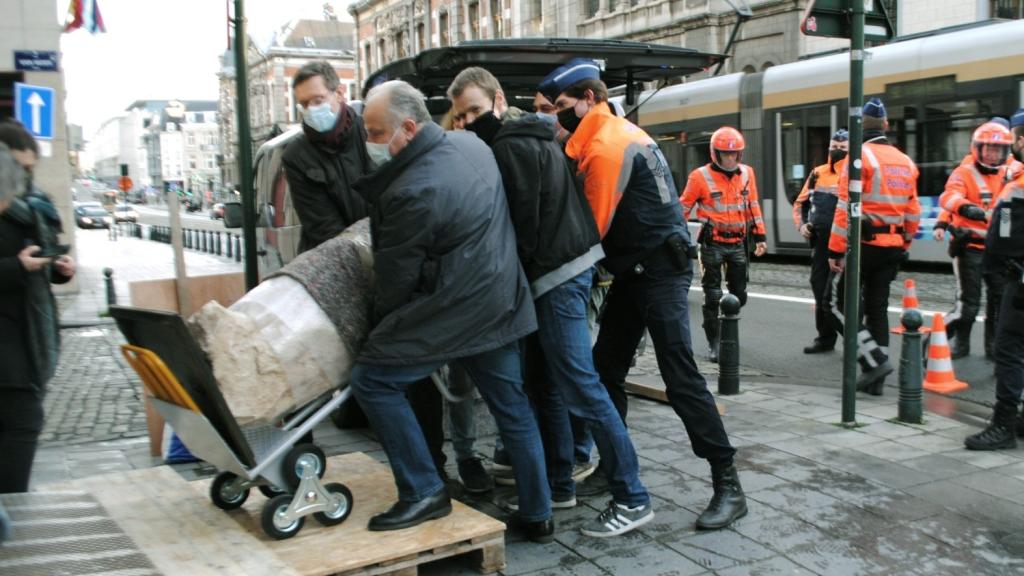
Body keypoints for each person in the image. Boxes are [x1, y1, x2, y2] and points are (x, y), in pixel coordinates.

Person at [541, 59, 747, 530]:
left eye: (561, 106)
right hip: (636, 269)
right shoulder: (611, 132)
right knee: (604, 368)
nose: (557, 116)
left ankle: (728, 484)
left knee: (680, 375)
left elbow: (590, 229)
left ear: (588, 98)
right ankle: (615, 467)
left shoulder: (607, 145)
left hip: (658, 270)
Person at [449, 67, 653, 537]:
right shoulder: (526, 137)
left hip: (558, 277)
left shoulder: (510, 146)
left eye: (475, 110)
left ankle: (632, 495)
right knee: (547, 386)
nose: (467, 122)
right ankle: (560, 484)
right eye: (460, 117)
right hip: (557, 274)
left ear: (499, 100)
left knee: (582, 387)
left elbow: (520, 229)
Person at [349, 80, 553, 541]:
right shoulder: (471, 144)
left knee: (373, 379)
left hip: (457, 307)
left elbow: (396, 280)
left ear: (407, 127)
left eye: (377, 133)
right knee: (512, 408)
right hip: (501, 298)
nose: (371, 144)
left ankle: (424, 490)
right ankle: (539, 513)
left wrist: (379, 331)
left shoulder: (410, 190)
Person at [827, 98, 921, 395]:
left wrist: (834, 250)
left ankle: (873, 361)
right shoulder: (905, 161)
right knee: (877, 308)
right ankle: (875, 382)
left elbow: (844, 208)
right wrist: (904, 241)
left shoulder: (859, 158)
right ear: (887, 126)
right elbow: (913, 211)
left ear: (859, 126)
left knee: (835, 305)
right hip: (892, 246)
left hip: (863, 245)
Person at [0, 144, 76, 493]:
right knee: (22, 422)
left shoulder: (27, 209)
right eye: (18, 167)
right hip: (9, 343)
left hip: (22, 333)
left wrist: (57, 269)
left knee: (21, 422)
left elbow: (36, 262)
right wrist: (18, 266)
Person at [680, 127, 767, 363]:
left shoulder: (747, 173)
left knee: (738, 295)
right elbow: (683, 209)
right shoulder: (699, 177)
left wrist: (760, 236)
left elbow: (753, 205)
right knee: (713, 296)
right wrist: (677, 238)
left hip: (738, 242)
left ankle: (728, 330)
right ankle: (715, 342)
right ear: (715, 154)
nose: (730, 159)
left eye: (735, 154)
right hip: (712, 243)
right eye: (725, 154)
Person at [963, 128, 1024, 450]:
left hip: (1020, 281)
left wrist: (994, 269)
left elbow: (1002, 240)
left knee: (1009, 348)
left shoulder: (1018, 185)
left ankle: (1003, 425)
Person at [938, 121, 1014, 359]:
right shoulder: (964, 171)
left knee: (999, 301)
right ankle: (939, 343)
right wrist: (967, 209)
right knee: (968, 306)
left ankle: (993, 348)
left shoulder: (1010, 173)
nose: (993, 154)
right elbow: (949, 196)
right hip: (970, 247)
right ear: (978, 148)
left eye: (998, 149)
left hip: (998, 251)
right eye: (989, 148)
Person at [283, 60, 371, 253]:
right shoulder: (296, 155)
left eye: (318, 100)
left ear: (339, 93)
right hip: (332, 257)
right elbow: (322, 227)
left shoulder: (371, 131)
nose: (312, 110)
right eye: (304, 104)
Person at [792, 129, 850, 354]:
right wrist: (803, 225)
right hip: (819, 244)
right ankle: (825, 338)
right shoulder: (817, 173)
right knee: (819, 288)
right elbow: (800, 204)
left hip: (844, 245)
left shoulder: (854, 174)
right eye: (834, 147)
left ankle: (855, 339)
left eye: (843, 148)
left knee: (838, 294)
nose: (837, 151)